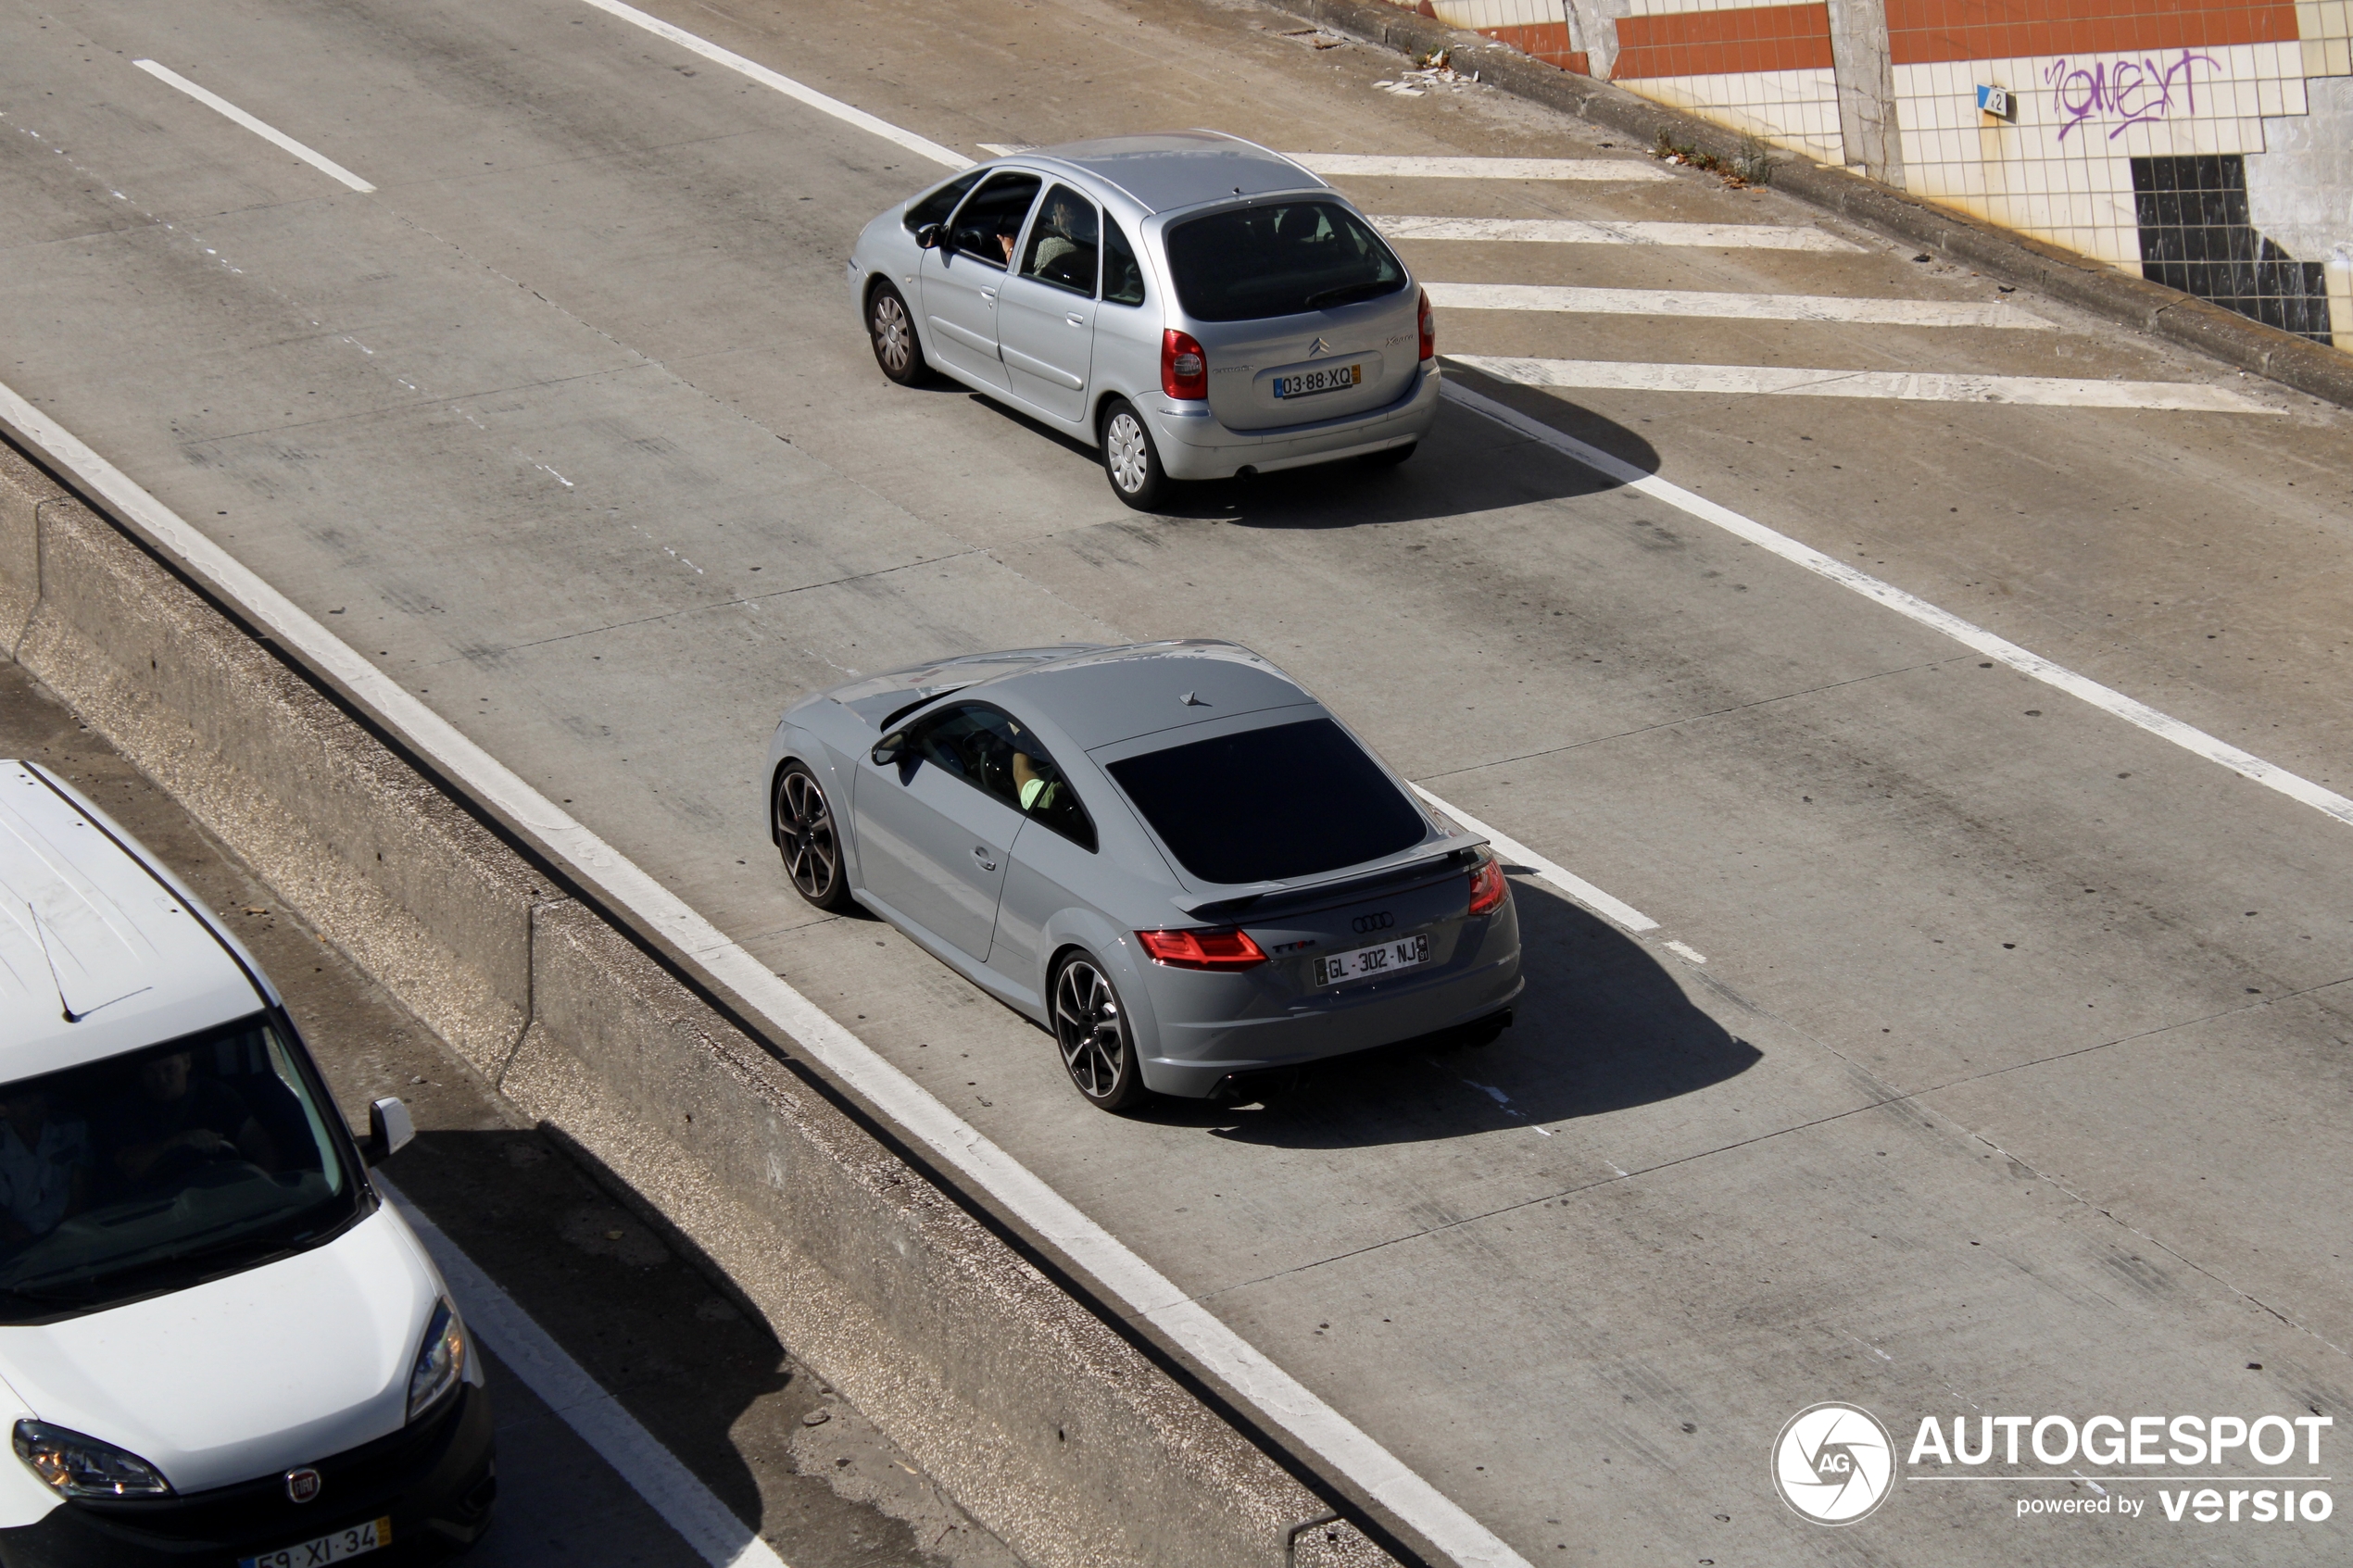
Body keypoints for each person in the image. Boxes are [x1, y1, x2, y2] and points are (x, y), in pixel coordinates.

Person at [107, 1050, 277, 1185]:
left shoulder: (217, 1095)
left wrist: (263, 1188)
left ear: (186, 1062)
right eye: (150, 1072)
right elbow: (130, 1167)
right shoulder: (128, 1110)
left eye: (169, 1069)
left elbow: (260, 1144)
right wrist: (178, 1142)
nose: (162, 1080)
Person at [0, 1090, 88, 1246]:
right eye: (26, 1100)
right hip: (17, 1244)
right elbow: (3, 1217)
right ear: (4, 1109)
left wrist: (67, 1233)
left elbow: (80, 1184)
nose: (37, 1104)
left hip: (74, 1230)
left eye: (38, 1095)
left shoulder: (70, 1126)